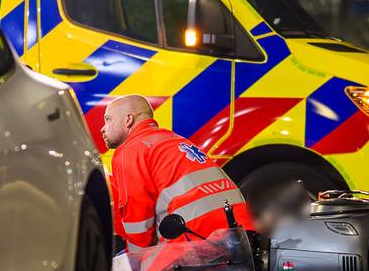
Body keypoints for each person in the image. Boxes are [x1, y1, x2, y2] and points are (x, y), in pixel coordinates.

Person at [101, 94, 255, 250]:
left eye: (108, 120)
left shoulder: (129, 150)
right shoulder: (174, 139)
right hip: (242, 232)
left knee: (121, 263)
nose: (103, 128)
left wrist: (133, 260)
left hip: (199, 240)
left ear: (128, 119)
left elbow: (139, 228)